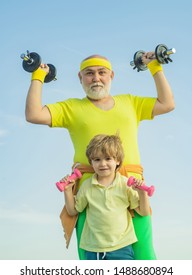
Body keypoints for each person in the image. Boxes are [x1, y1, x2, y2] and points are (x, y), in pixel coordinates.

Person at [25, 51, 175, 260]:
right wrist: (38, 76)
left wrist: (154, 67)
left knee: (145, 257)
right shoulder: (71, 107)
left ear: (111, 76)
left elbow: (167, 104)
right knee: (92, 259)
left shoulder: (131, 102)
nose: (96, 78)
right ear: (80, 78)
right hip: (90, 193)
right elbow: (33, 114)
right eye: (89, 73)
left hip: (131, 189)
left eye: (101, 72)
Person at [63, 134, 150, 260]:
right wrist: (67, 191)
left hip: (122, 248)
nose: (102, 164)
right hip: (93, 250)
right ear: (91, 162)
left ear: (118, 161)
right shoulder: (87, 186)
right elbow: (72, 211)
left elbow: (144, 211)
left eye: (108, 158)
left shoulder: (125, 184)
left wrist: (142, 193)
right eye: (97, 160)